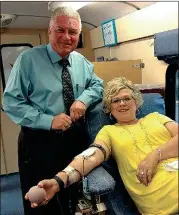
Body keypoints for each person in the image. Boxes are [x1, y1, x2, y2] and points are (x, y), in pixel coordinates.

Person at [2, 6, 103, 215]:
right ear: (49, 30)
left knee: (73, 195)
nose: (67, 37)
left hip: (75, 139)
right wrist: (48, 120)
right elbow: (11, 102)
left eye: (73, 32)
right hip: (39, 141)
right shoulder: (28, 60)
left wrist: (83, 100)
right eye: (61, 30)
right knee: (40, 199)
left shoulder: (81, 62)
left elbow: (97, 85)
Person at [25, 77, 178, 215]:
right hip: (163, 202)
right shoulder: (109, 132)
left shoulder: (156, 117)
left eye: (127, 98)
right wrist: (58, 182)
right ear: (109, 108)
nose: (122, 103)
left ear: (136, 102)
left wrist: (155, 155)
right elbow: (91, 156)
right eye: (115, 100)